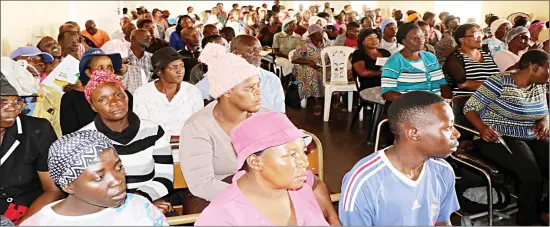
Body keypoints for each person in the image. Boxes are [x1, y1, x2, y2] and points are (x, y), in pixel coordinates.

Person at [339, 91, 461, 225]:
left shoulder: (443, 171)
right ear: (414, 133)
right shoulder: (364, 183)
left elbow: (442, 223)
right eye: (448, 127)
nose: (457, 134)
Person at [195, 112, 329, 226]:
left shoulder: (300, 187)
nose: (304, 162)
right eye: (292, 155)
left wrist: (333, 219)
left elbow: (316, 183)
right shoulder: (221, 217)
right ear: (255, 162)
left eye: (303, 152)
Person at [463, 50, 549, 226]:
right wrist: (482, 127)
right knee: (531, 174)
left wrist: (545, 121)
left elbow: (544, 110)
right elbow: (469, 107)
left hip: (531, 134)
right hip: (498, 136)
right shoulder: (500, 82)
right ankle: (528, 221)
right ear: (535, 67)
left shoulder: (539, 85)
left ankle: (545, 210)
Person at [19, 130, 168, 226]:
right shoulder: (41, 224)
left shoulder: (141, 207)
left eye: (118, 167)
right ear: (68, 186)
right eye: (99, 177)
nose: (117, 181)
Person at [80, 70, 174, 214]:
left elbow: (165, 177)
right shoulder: (84, 138)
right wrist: (130, 206)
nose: (114, 103)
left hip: (149, 199)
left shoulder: (153, 130)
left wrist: (141, 200)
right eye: (102, 100)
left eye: (118, 95)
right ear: (93, 107)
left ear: (126, 97)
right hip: (105, 208)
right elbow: (86, 189)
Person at [0, 63, 64, 224]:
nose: (12, 109)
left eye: (16, 102)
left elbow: (53, 189)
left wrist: (25, 223)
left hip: (28, 212)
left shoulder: (37, 130)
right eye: (2, 102)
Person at [196, 35, 286, 113]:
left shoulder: (271, 79)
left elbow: (280, 113)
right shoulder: (220, 75)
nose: (258, 54)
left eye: (259, 50)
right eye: (252, 50)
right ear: (236, 52)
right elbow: (197, 93)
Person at [60, 48, 133, 135]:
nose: (106, 71)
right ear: (88, 72)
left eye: (110, 67)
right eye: (100, 68)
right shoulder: (70, 99)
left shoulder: (125, 95)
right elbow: (69, 134)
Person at [133, 47, 203, 137]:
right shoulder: (142, 94)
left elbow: (199, 125)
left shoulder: (192, 91)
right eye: (173, 67)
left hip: (187, 144)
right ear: (159, 73)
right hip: (155, 147)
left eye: (182, 66)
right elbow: (142, 128)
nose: (179, 71)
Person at [381, 22, 451, 104]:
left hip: (435, 106)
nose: (420, 40)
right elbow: (387, 93)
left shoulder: (430, 58)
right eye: (415, 38)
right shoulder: (394, 62)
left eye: (421, 36)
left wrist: (447, 102)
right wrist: (415, 102)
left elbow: (442, 84)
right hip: (409, 107)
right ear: (403, 41)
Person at [443, 24, 500, 96]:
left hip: (492, 99)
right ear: (461, 39)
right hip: (468, 100)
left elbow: (497, 77)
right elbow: (463, 84)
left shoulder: (486, 55)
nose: (479, 38)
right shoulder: (455, 58)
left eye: (480, 34)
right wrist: (494, 85)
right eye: (475, 35)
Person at [291, 24, 330, 116]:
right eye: (318, 33)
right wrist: (309, 62)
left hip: (323, 65)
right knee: (312, 72)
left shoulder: (326, 43)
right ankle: (317, 102)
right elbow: (294, 59)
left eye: (322, 32)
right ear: (312, 35)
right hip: (306, 65)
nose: (321, 34)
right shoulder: (304, 44)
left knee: (335, 72)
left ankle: (335, 99)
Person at [352, 28, 391, 96]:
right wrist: (383, 73)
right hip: (368, 89)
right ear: (362, 41)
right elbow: (362, 72)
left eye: (376, 37)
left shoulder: (385, 53)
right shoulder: (358, 54)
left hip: (387, 86)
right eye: (370, 38)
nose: (374, 40)